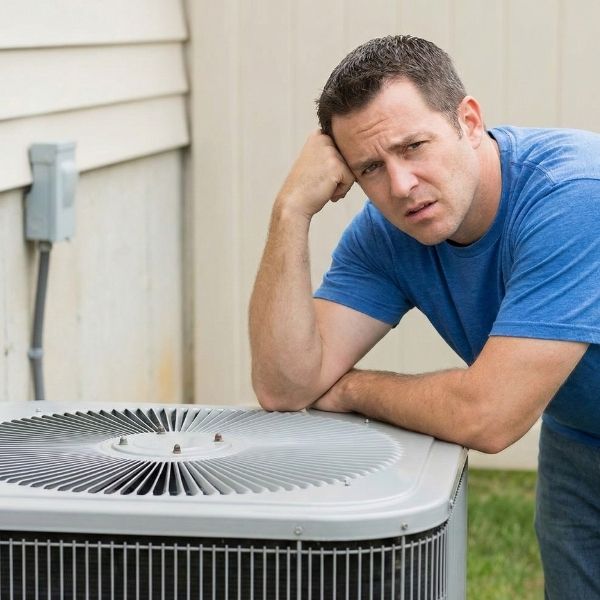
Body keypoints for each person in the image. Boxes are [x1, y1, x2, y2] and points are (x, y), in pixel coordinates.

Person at [248, 35, 600, 598]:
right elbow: (285, 384)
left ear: (469, 119)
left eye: (414, 146)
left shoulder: (575, 195)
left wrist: (352, 389)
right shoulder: (391, 233)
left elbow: (489, 416)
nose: (401, 185)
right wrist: (290, 211)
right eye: (370, 168)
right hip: (581, 434)